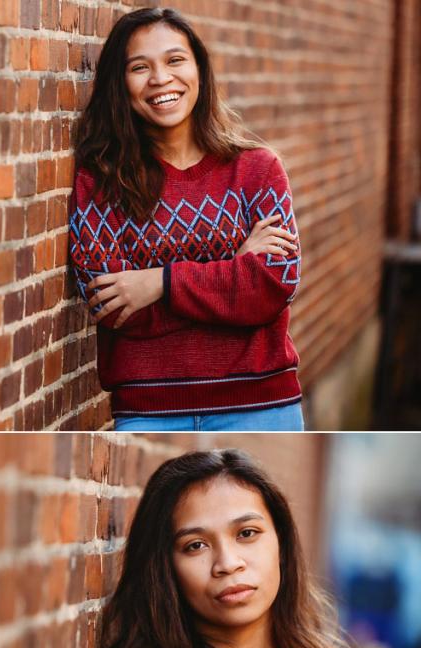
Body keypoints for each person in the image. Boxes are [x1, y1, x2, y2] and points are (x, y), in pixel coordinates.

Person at [88, 450, 413, 648]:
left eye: (247, 534)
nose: (228, 564)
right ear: (164, 568)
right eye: (195, 545)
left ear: (281, 545)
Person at [70, 8, 305, 431]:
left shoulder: (257, 169)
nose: (161, 79)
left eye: (175, 60)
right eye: (140, 67)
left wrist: (157, 283)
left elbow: (271, 286)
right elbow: (113, 307)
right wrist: (233, 271)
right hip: (149, 413)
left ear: (199, 68)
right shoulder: (101, 179)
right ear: (119, 84)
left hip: (261, 408)